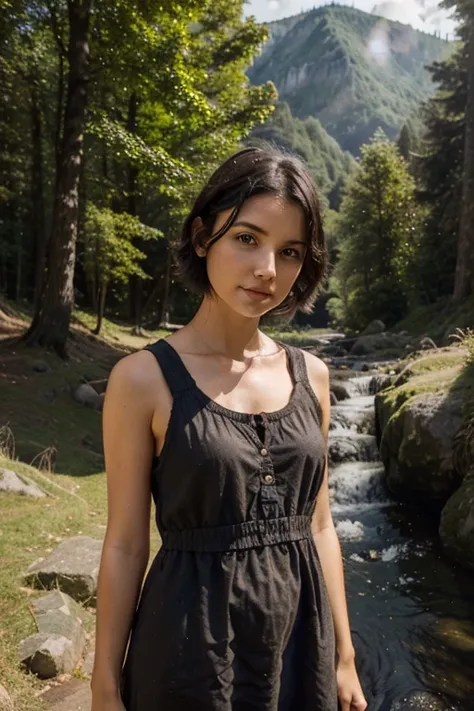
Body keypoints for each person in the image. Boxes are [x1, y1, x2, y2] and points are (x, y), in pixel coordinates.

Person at [91, 146, 367, 711]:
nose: (268, 269)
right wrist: (103, 686)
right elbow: (124, 543)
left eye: (289, 251)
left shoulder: (311, 374)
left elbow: (319, 527)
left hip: (299, 643)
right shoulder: (142, 379)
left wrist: (344, 657)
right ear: (202, 237)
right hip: (190, 650)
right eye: (247, 238)